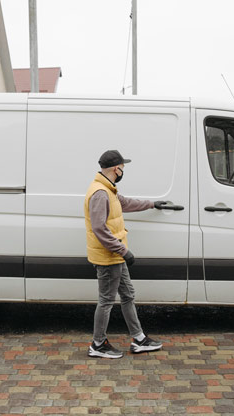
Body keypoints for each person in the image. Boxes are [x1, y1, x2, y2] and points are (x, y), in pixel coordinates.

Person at [84, 149, 168, 359]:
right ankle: (97, 344)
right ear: (116, 168)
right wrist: (124, 251)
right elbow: (99, 229)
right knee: (106, 300)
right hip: (108, 256)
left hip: (115, 256)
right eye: (123, 167)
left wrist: (151, 204)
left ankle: (139, 338)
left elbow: (125, 203)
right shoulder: (100, 193)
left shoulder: (108, 189)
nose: (123, 170)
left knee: (128, 294)